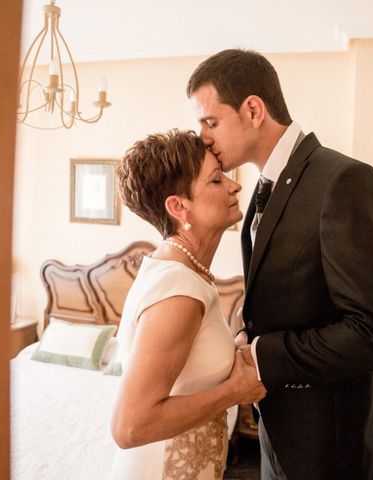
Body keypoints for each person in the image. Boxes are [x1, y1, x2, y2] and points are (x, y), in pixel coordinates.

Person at [187, 49, 373, 479]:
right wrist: (245, 336)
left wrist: (262, 355)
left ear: (253, 109)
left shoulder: (344, 182)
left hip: (332, 453)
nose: (203, 138)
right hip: (281, 434)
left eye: (210, 122)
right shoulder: (261, 192)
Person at [110, 129, 266, 479]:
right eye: (215, 180)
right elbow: (130, 426)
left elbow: (188, 372)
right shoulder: (178, 290)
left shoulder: (189, 274)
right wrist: (234, 391)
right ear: (179, 207)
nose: (234, 185)